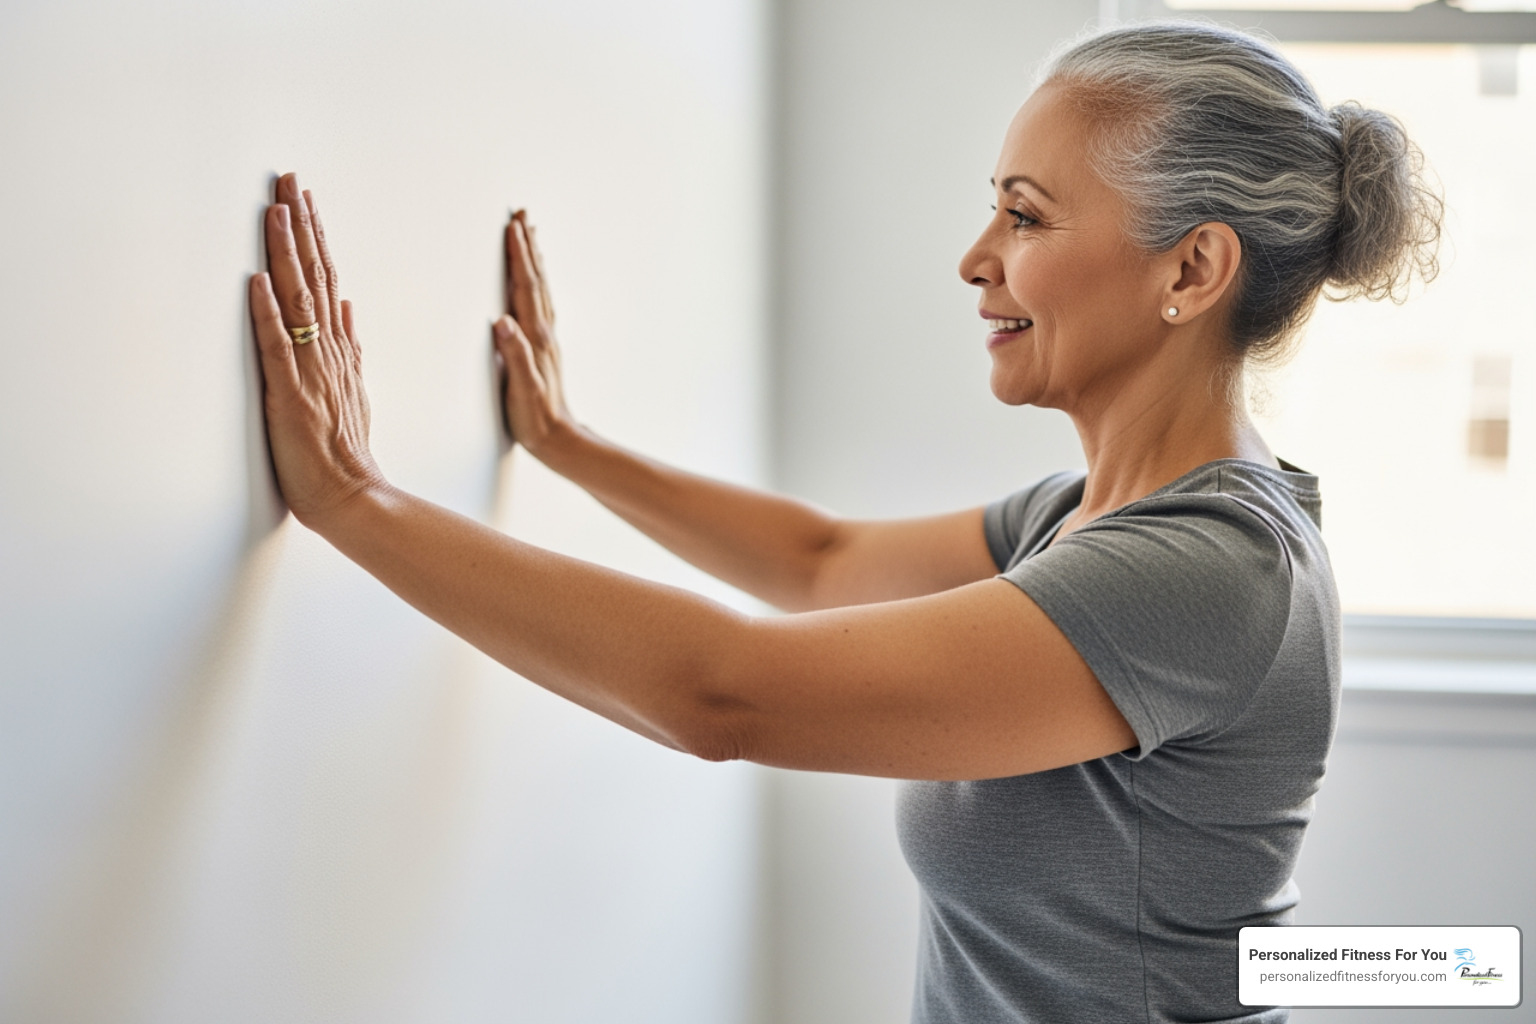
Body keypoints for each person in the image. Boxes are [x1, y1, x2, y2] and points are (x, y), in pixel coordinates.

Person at [247, 21, 1440, 1024]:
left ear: (1192, 270)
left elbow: (724, 693)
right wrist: (568, 444)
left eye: (1026, 218)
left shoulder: (1205, 571)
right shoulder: (1089, 518)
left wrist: (356, 501)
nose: (977, 259)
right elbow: (824, 564)